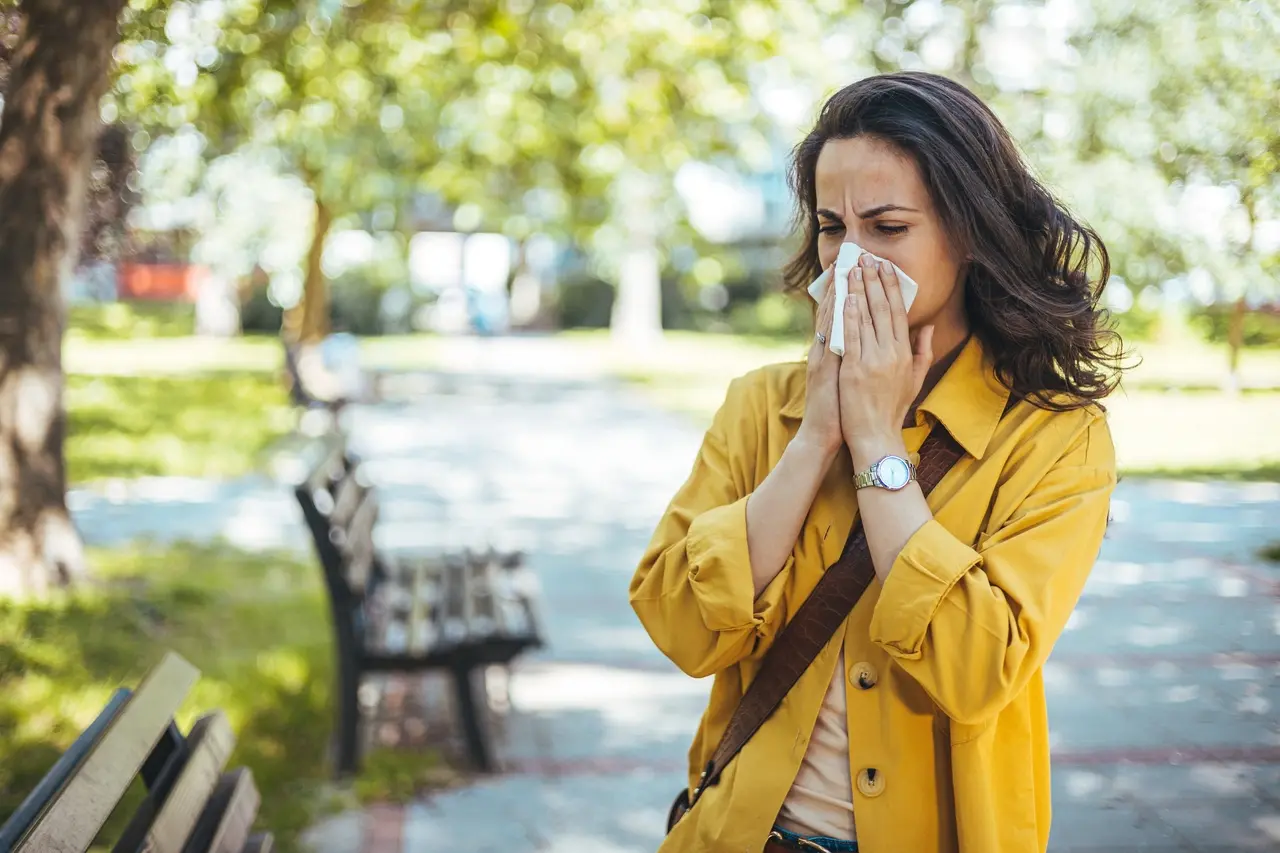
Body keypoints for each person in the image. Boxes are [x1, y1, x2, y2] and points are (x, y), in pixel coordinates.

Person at [630, 72, 1123, 853]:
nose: (851, 259)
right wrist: (814, 438)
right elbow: (681, 626)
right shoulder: (762, 404)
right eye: (832, 226)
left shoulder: (1055, 439)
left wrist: (878, 445)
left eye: (887, 226)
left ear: (968, 235)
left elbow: (974, 670)